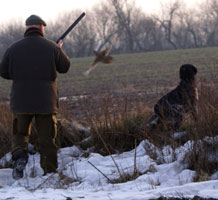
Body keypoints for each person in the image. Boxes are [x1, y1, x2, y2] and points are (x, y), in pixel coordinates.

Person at [0, 15, 71, 179]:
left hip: (21, 101)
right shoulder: (52, 47)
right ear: (41, 28)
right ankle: (50, 172)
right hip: (46, 103)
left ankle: (20, 158)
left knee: (20, 135)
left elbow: (3, 71)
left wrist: (20, 76)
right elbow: (65, 67)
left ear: (27, 28)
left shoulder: (13, 48)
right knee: (48, 139)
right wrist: (59, 48)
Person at [147, 64, 198, 130]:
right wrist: (197, 122)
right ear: (193, 75)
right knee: (180, 114)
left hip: (159, 106)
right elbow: (192, 107)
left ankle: (153, 129)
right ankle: (175, 132)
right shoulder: (190, 90)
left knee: (177, 112)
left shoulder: (184, 88)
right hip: (163, 107)